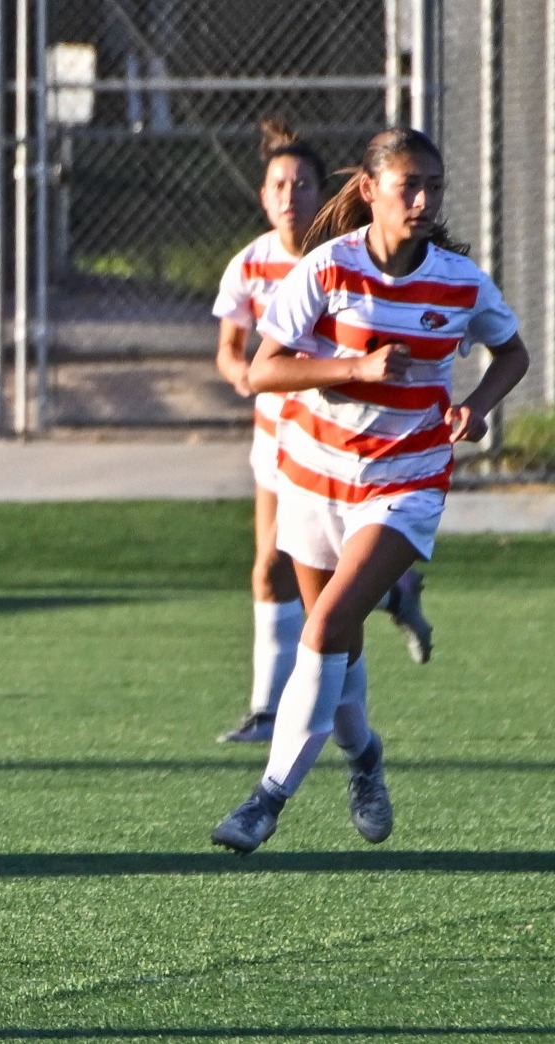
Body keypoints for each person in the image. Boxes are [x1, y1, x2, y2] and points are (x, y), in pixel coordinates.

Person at [210, 127, 528, 854]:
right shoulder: (327, 271)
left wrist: (476, 407)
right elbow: (263, 371)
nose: (422, 201)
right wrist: (355, 370)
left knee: (321, 631)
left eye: (433, 188)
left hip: (405, 483)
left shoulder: (459, 282)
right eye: (407, 186)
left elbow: (512, 352)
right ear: (370, 191)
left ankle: (267, 799)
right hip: (315, 478)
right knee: (342, 652)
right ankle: (364, 760)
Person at [210, 119, 434, 746]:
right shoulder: (250, 264)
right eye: (278, 184)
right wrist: (247, 376)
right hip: (278, 435)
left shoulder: (343, 255)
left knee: (328, 582)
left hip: (346, 438)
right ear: (263, 195)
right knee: (270, 567)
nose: (290, 195)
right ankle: (265, 710)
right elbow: (233, 351)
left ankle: (390, 596)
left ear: (322, 193)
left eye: (302, 183)